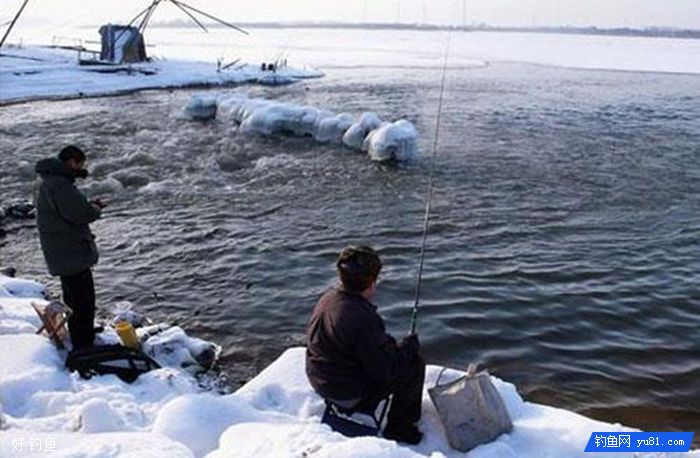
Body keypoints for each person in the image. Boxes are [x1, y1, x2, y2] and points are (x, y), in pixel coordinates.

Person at [306, 246, 425, 445]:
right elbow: (383, 371)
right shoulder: (363, 318)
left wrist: (390, 348)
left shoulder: (328, 299)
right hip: (346, 393)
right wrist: (408, 349)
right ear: (372, 282)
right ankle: (400, 428)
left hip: (319, 380)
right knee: (414, 364)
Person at [35, 145, 106, 350]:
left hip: (60, 249)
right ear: (72, 162)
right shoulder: (59, 185)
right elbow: (81, 214)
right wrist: (95, 208)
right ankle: (84, 342)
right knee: (83, 298)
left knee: (72, 295)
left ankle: (81, 332)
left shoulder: (47, 180)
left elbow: (68, 209)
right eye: (80, 164)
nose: (81, 169)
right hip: (71, 250)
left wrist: (85, 205)